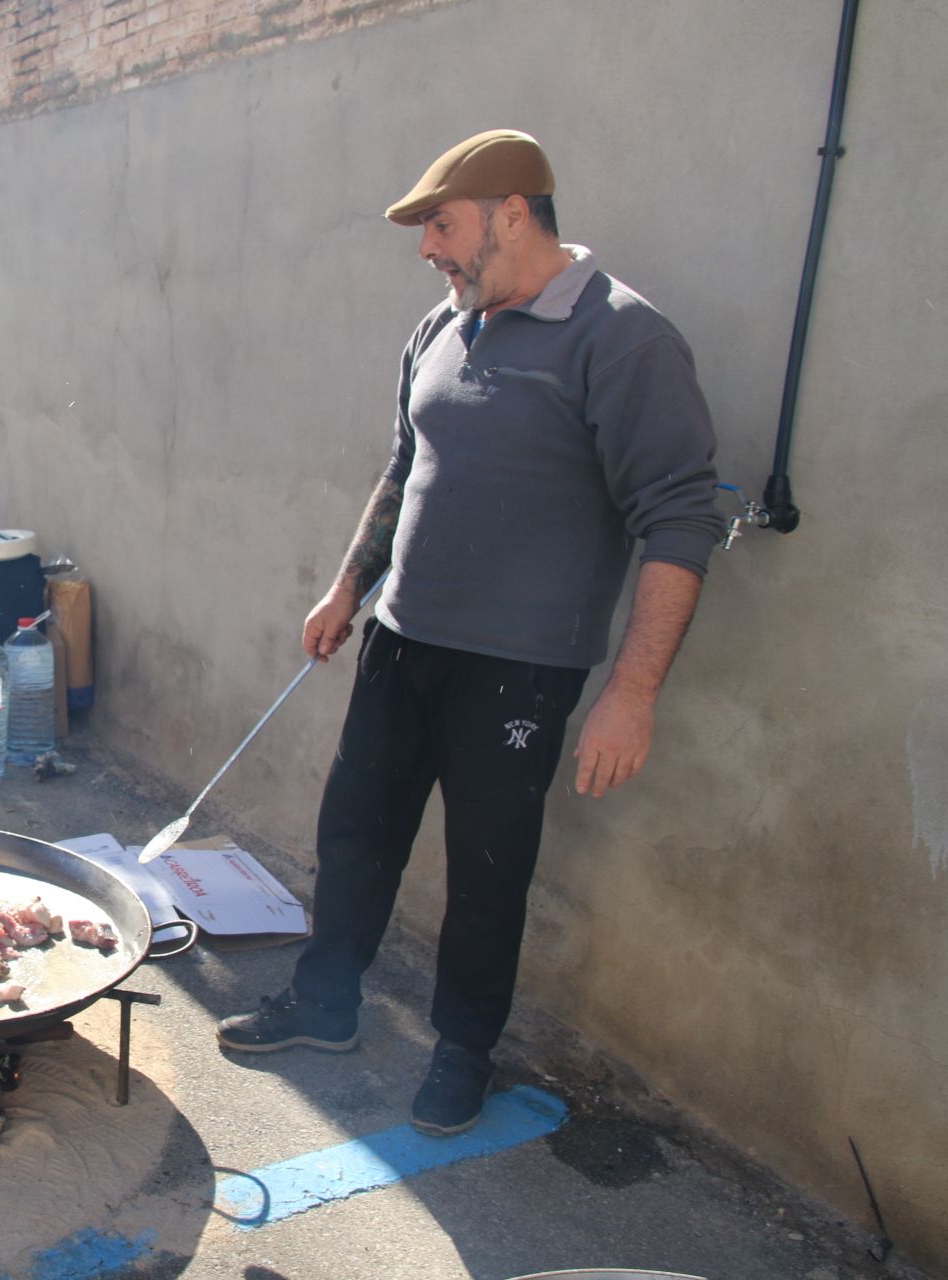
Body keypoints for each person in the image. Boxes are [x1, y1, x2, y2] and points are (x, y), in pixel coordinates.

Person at [217, 130, 723, 1136]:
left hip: (522, 671)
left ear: (512, 211)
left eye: (440, 226)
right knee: (355, 832)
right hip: (404, 639)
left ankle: (462, 1051)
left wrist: (632, 691)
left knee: (488, 866)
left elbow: (679, 514)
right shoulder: (442, 328)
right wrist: (347, 587)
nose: (427, 250)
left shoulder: (623, 339)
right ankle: (325, 1005)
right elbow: (404, 467)